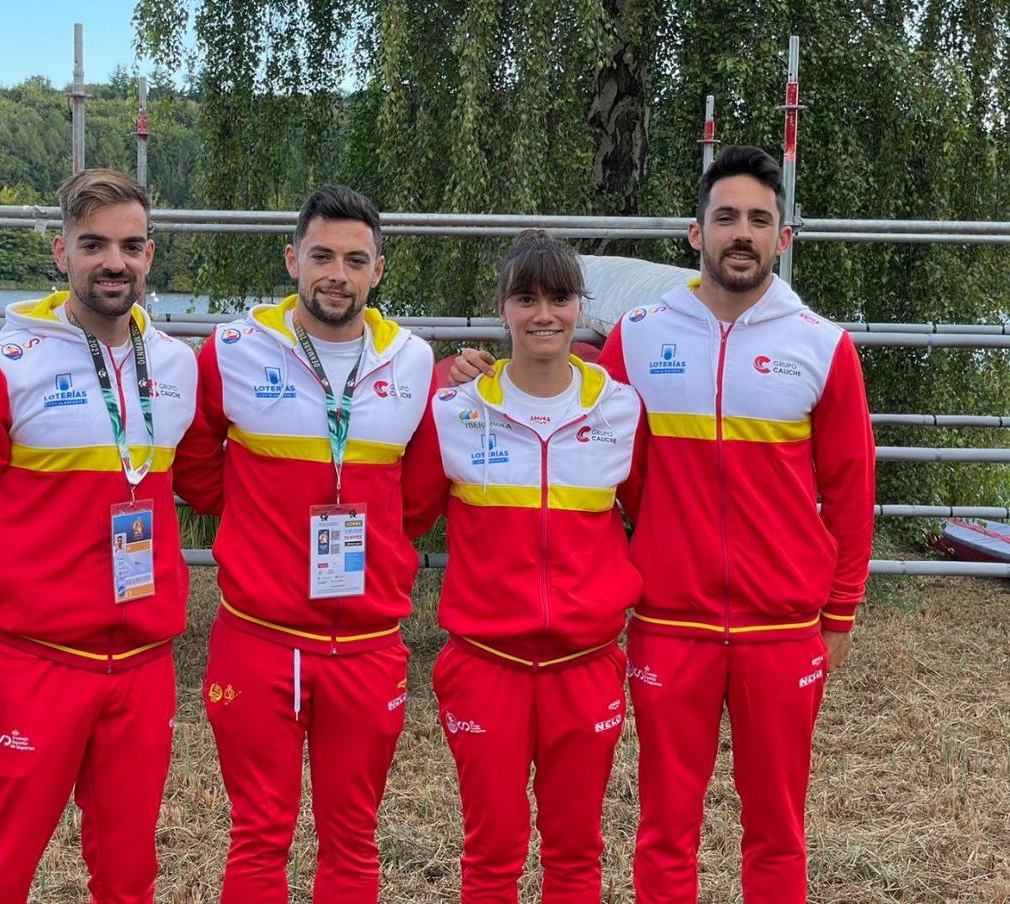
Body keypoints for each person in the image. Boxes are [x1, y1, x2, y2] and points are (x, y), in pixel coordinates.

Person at [449, 146, 875, 903]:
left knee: (778, 831)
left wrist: (837, 611)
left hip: (781, 630)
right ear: (694, 232)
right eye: (725, 218)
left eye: (758, 220)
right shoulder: (641, 335)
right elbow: (581, 416)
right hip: (668, 624)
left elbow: (849, 488)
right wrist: (478, 379)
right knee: (665, 829)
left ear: (784, 238)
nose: (740, 233)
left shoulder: (822, 343)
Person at [0, 168, 222, 903]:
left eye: (129, 245)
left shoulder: (179, 365)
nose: (112, 262)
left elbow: (221, 487)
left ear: (151, 255)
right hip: (34, 664)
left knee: (128, 878)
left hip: (145, 666)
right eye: (93, 245)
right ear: (61, 252)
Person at [195, 185, 433, 904]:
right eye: (322, 255)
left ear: (379, 270)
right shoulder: (233, 349)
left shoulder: (413, 361)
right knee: (260, 835)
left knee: (354, 838)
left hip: (365, 643)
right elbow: (198, 464)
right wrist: (258, 524)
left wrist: (379, 541)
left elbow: (418, 495)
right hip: (259, 635)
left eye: (354, 260)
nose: (337, 273)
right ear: (292, 258)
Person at [403, 231, 646, 902]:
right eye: (526, 297)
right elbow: (406, 514)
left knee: (575, 856)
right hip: (486, 666)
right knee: (491, 856)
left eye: (561, 297)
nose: (545, 313)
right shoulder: (456, 408)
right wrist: (434, 379)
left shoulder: (620, 409)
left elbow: (653, 513)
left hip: (585, 664)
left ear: (579, 307)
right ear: (503, 309)